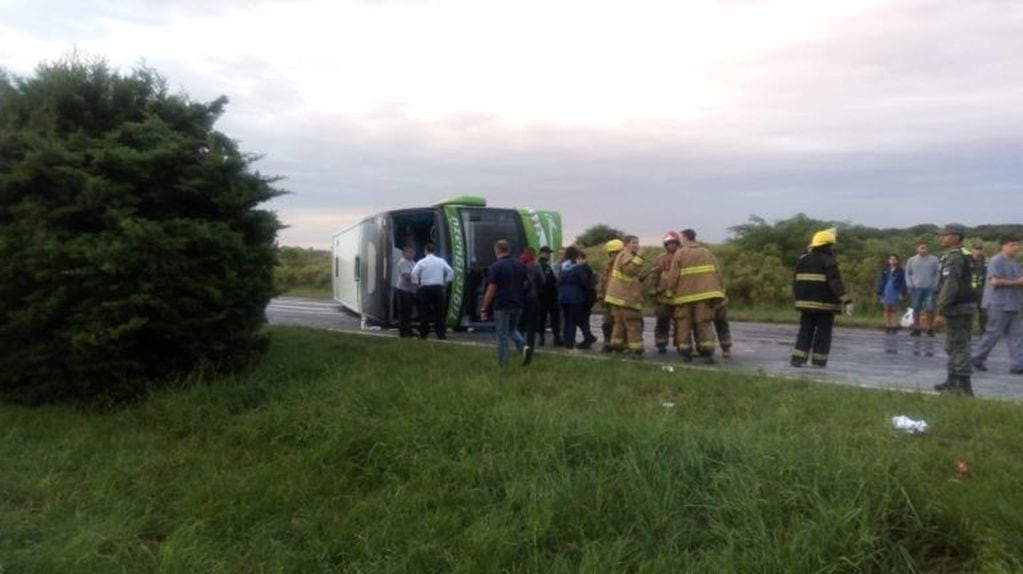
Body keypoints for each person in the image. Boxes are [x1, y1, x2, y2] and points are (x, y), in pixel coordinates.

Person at [790, 229, 853, 368]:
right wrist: (846, 300)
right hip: (825, 306)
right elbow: (835, 282)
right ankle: (819, 361)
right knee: (823, 333)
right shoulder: (829, 260)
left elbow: (796, 282)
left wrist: (799, 300)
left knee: (805, 331)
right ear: (826, 245)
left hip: (805, 305)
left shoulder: (803, 259)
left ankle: (798, 359)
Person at [666, 229, 726, 363]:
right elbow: (717, 272)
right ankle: (707, 354)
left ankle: (686, 354)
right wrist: (720, 290)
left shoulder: (680, 253)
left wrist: (670, 292)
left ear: (686, 237)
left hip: (684, 297)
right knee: (704, 324)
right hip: (704, 296)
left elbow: (673, 276)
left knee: (684, 324)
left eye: (682, 237)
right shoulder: (706, 252)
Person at [932, 224, 978, 395]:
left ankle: (963, 386)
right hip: (966, 304)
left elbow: (949, 286)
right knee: (954, 344)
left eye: (945, 235)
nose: (941, 238)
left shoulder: (954, 257)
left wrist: (940, 310)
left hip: (957, 307)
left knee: (958, 345)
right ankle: (951, 381)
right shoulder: (965, 255)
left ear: (956, 237)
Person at [971, 236, 1023, 376]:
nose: (1016, 247)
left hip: (1013, 303)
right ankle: (976, 357)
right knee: (993, 334)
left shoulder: (1016, 262)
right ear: (1003, 246)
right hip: (998, 303)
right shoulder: (996, 261)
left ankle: (1018, 365)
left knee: (1017, 335)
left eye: (1017, 244)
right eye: (1013, 244)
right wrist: (1016, 282)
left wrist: (1018, 282)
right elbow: (995, 281)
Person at [480, 239, 532, 367]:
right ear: (508, 249)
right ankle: (524, 346)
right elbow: (526, 283)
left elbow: (491, 288)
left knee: (502, 335)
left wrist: (484, 307)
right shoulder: (520, 264)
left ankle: (503, 363)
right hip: (518, 303)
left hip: (502, 305)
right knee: (512, 329)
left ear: (496, 250)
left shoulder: (496, 266)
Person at [604, 235, 646, 357]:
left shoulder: (622, 255)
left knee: (619, 324)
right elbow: (630, 271)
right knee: (633, 323)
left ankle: (616, 348)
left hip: (617, 297)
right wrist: (640, 257)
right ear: (626, 244)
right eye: (633, 243)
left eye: (637, 243)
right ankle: (637, 351)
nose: (637, 245)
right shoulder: (626, 254)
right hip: (625, 297)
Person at [410, 242, 454, 340]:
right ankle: (441, 334)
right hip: (438, 288)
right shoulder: (441, 261)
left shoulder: (422, 262)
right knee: (439, 312)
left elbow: (413, 273)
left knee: (424, 312)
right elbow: (451, 271)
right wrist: (445, 284)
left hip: (425, 289)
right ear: (434, 251)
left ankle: (424, 334)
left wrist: (417, 284)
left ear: (425, 251)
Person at [649, 231, 681, 354]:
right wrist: (653, 288)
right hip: (662, 296)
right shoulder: (660, 258)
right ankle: (661, 343)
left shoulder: (682, 256)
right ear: (665, 245)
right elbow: (654, 275)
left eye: (673, 243)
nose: (671, 246)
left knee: (681, 323)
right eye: (669, 244)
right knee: (662, 321)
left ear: (678, 244)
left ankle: (681, 344)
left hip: (679, 296)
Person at [558, 246, 593, 349]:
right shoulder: (578, 267)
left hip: (563, 296)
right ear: (576, 255)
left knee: (566, 319)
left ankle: (566, 341)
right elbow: (584, 281)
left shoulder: (563, 266)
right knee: (572, 321)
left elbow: (559, 280)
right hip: (575, 297)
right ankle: (570, 343)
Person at [906, 242, 940, 337]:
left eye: (925, 248)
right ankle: (916, 329)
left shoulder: (934, 259)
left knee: (930, 309)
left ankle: (930, 329)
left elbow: (938, 273)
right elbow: (908, 273)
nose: (924, 250)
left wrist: (935, 284)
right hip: (916, 288)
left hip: (929, 288)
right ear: (917, 249)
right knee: (916, 308)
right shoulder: (911, 260)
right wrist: (909, 284)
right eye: (921, 248)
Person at [597, 239, 624, 352]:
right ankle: (607, 344)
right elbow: (603, 281)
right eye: (613, 253)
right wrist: (600, 294)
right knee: (607, 323)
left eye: (617, 253)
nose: (615, 255)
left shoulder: (624, 266)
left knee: (620, 323)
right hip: (609, 299)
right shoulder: (608, 266)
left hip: (621, 300)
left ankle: (619, 345)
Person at [517, 247, 544, 351]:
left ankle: (519, 346)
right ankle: (529, 348)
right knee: (531, 326)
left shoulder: (518, 264)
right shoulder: (535, 265)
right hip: (532, 298)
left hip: (519, 298)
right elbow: (543, 281)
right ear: (533, 255)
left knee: (520, 324)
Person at [536, 246, 562, 347]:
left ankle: (542, 339)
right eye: (547, 253)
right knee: (553, 318)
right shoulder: (543, 265)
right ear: (542, 253)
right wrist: (555, 279)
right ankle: (555, 339)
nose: (549, 255)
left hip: (542, 296)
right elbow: (548, 280)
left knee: (542, 318)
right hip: (548, 295)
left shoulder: (542, 264)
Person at [875, 254, 908, 334]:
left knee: (894, 309)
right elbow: (881, 281)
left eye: (894, 259)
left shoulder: (900, 271)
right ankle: (888, 325)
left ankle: (894, 325)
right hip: (886, 290)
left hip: (895, 290)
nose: (892, 261)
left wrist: (902, 292)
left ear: (897, 261)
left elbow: (903, 283)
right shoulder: (885, 270)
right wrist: (879, 291)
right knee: (887, 308)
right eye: (891, 259)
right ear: (888, 261)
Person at [575, 250, 600, 349]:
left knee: (581, 318)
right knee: (583, 318)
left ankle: (588, 337)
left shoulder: (583, 268)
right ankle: (588, 337)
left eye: (577, 258)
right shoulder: (586, 267)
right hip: (588, 296)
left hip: (585, 297)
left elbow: (583, 283)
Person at [394, 245, 418, 338]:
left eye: (413, 252)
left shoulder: (412, 262)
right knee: (403, 312)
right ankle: (403, 333)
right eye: (409, 252)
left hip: (411, 291)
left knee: (408, 313)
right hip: (403, 291)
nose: (412, 254)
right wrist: (418, 280)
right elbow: (407, 276)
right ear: (404, 253)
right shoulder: (403, 262)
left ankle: (409, 330)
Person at [971, 241, 988, 335]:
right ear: (972, 250)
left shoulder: (986, 261)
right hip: (970, 290)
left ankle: (983, 330)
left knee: (983, 312)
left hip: (982, 290)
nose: (978, 251)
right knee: (969, 312)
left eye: (979, 249)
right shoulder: (967, 261)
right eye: (976, 249)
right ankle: (967, 330)